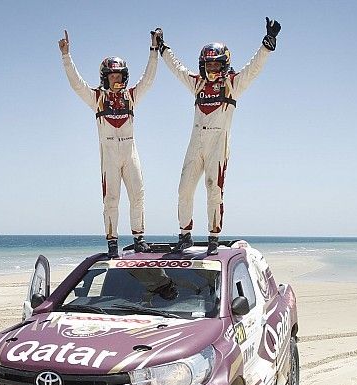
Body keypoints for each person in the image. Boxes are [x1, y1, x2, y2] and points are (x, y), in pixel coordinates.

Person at [155, 19, 281, 254]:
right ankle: (185, 235)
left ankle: (213, 237)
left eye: (216, 65)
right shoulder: (197, 84)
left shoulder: (233, 84)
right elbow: (177, 68)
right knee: (184, 189)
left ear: (224, 65)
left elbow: (253, 68)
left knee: (214, 189)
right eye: (208, 65)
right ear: (203, 66)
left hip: (218, 144)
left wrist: (267, 44)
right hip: (195, 143)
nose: (212, 70)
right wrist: (163, 47)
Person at [59, 30, 160, 258]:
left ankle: (139, 239)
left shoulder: (131, 96)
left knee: (138, 195)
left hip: (130, 151)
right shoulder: (97, 98)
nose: (117, 79)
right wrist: (66, 56)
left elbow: (149, 79)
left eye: (120, 75)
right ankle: (112, 243)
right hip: (109, 155)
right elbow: (77, 85)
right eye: (113, 76)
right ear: (105, 77)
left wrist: (154, 50)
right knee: (111, 199)